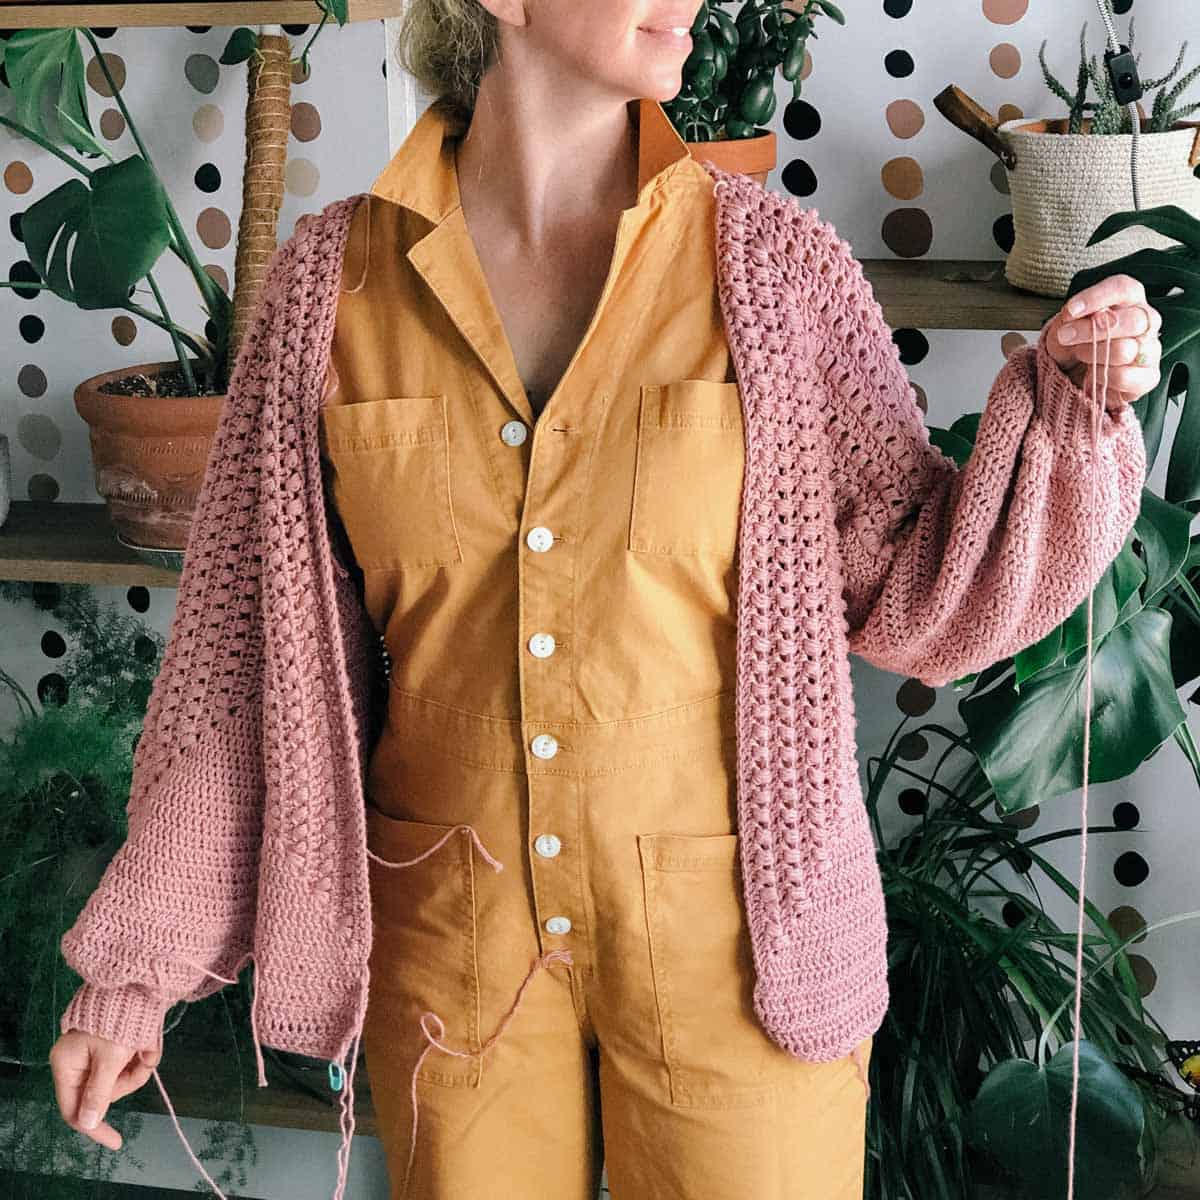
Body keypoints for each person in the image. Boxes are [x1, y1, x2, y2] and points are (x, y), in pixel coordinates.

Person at [49, 2, 1160, 1198]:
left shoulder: (776, 268)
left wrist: (1071, 418)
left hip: (741, 948)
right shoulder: (329, 286)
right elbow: (245, 658)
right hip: (450, 951)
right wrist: (137, 968)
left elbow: (915, 583)